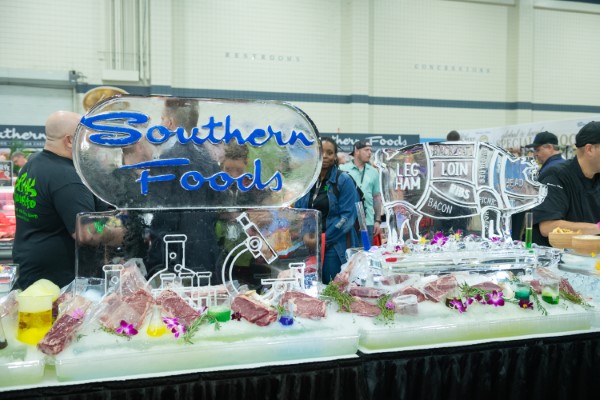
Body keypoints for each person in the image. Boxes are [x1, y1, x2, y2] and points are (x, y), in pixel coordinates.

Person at [12, 111, 120, 289]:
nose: (90, 144)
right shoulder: (67, 177)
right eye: (86, 138)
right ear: (69, 141)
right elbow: (88, 233)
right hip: (58, 282)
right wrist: (115, 228)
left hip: (31, 271)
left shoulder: (33, 163)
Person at [295, 137, 358, 284]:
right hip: (309, 245)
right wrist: (306, 235)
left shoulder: (344, 180)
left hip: (334, 246)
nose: (325, 156)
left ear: (335, 156)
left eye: (330, 153)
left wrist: (322, 239)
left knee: (332, 287)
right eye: (321, 152)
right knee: (311, 287)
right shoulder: (308, 181)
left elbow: (347, 217)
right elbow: (299, 210)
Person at [532, 121, 600, 246]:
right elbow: (548, 227)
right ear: (589, 149)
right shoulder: (556, 176)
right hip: (557, 255)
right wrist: (597, 228)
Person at [340, 140, 382, 243]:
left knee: (366, 251)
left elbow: (376, 197)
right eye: (366, 150)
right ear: (356, 151)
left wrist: (377, 221)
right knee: (348, 251)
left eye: (370, 150)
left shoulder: (374, 172)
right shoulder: (342, 169)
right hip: (348, 221)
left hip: (368, 221)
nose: (370, 153)